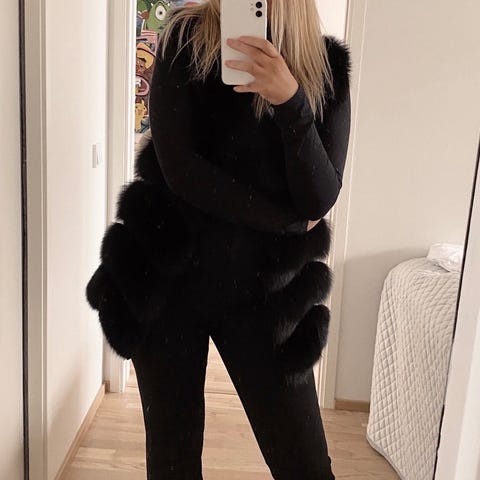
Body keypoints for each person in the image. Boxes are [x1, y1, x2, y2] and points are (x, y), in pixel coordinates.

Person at [86, 0, 351, 478]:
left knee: (305, 463)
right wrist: (285, 223)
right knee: (172, 460)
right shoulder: (186, 38)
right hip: (166, 277)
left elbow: (319, 196)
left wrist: (290, 102)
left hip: (267, 294)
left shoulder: (326, 68)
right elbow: (181, 170)